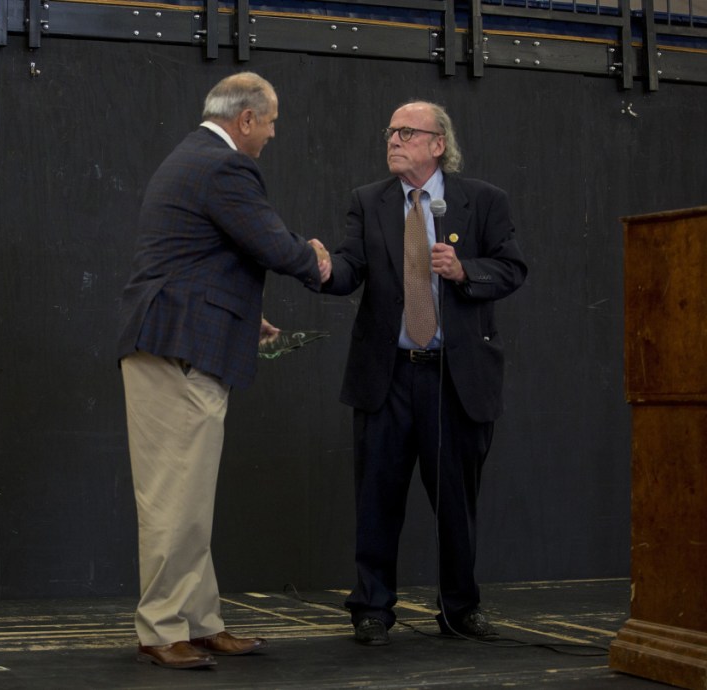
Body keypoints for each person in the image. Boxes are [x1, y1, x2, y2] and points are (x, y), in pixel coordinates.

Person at [116, 72, 331, 669]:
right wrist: (316, 259)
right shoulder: (225, 166)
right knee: (173, 498)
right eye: (270, 121)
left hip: (177, 340)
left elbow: (200, 260)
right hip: (178, 349)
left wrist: (243, 319)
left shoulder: (195, 157)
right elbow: (270, 244)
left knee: (190, 492)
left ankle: (200, 619)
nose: (272, 133)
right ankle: (161, 628)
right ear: (245, 119)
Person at [322, 101, 527, 646]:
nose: (393, 140)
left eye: (407, 132)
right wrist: (321, 268)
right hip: (387, 376)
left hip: (454, 378)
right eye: (390, 132)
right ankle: (371, 609)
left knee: (456, 502)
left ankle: (460, 607)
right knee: (377, 499)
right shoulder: (368, 203)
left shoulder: (482, 202)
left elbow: (511, 268)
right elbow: (348, 269)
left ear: (439, 143)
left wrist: (465, 270)